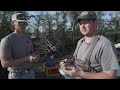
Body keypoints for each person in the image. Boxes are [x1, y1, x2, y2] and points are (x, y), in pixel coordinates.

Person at [60, 11, 120, 79]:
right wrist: (68, 62)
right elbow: (76, 60)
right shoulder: (80, 42)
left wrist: (79, 73)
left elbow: (110, 76)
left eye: (86, 22)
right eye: (80, 23)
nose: (82, 26)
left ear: (95, 23)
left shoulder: (105, 45)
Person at [0, 13, 39, 79]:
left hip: (30, 72)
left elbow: (32, 53)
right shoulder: (7, 40)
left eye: (25, 23)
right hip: (17, 75)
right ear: (13, 23)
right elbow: (4, 64)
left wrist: (36, 57)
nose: (23, 25)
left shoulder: (28, 38)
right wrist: (27, 58)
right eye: (20, 23)